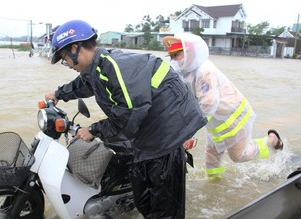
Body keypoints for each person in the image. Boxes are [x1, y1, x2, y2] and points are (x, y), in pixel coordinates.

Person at [45, 20, 207, 218]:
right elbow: (85, 84)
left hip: (168, 129)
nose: (67, 64)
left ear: (74, 48)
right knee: (143, 199)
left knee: (164, 208)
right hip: (149, 128)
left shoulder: (115, 68)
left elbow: (128, 119)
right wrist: (59, 94)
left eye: (64, 58)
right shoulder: (97, 68)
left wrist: (94, 130)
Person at [162, 33, 284, 181]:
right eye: (171, 56)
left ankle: (271, 141)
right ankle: (215, 184)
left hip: (234, 118)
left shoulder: (204, 71)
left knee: (239, 156)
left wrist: (188, 133)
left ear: (190, 53)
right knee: (211, 156)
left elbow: (209, 103)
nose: (174, 60)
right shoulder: (185, 72)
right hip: (215, 122)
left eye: (177, 55)